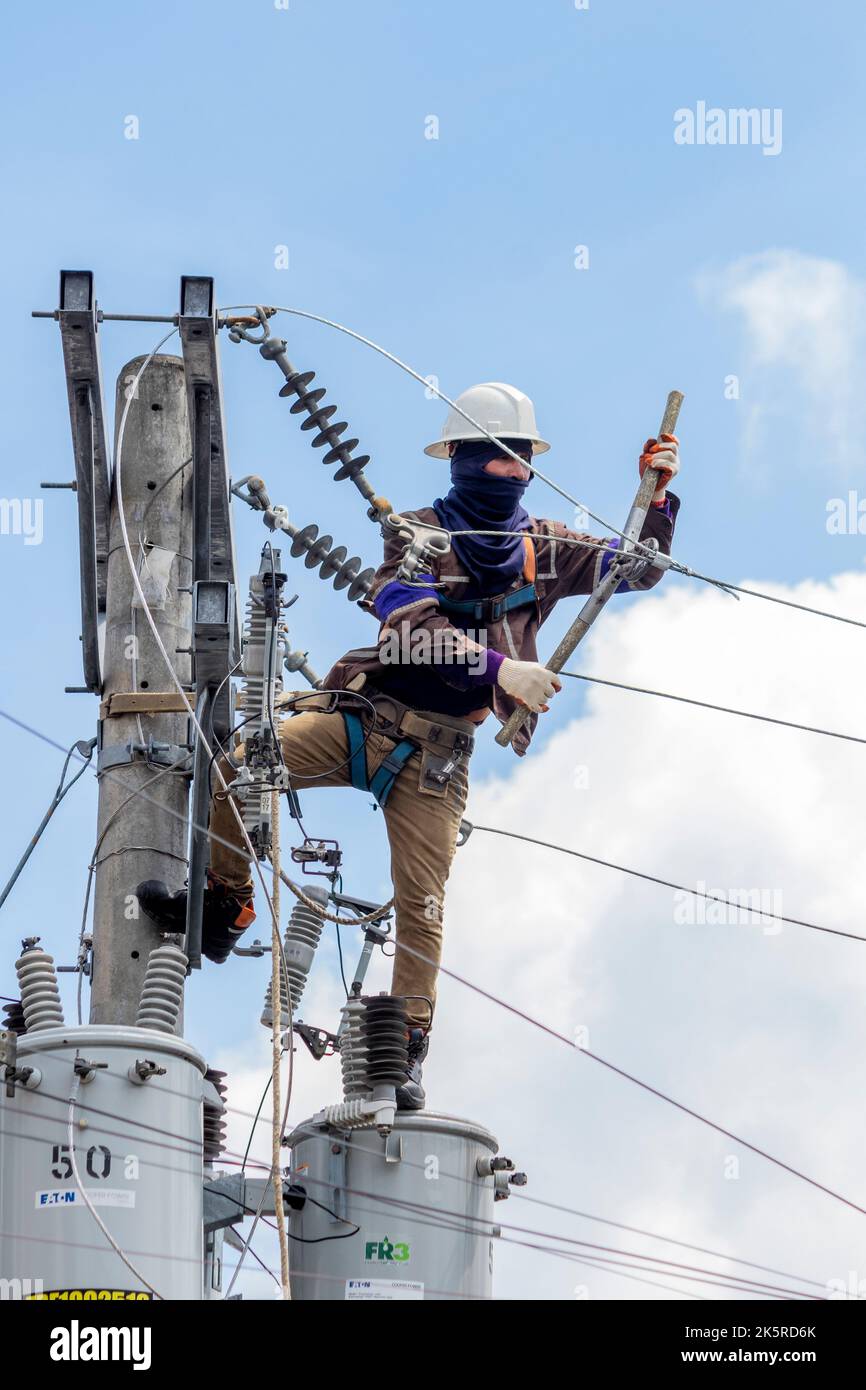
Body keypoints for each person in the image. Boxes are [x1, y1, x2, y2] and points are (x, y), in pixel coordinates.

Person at [138, 382, 680, 1109]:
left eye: (516, 461)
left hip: (438, 757)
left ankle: (403, 1052)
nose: (507, 472)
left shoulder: (546, 549)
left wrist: (660, 500)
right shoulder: (417, 536)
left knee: (422, 909)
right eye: (494, 459)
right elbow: (407, 631)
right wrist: (503, 669)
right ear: (457, 460)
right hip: (367, 718)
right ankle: (226, 902)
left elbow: (636, 566)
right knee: (241, 761)